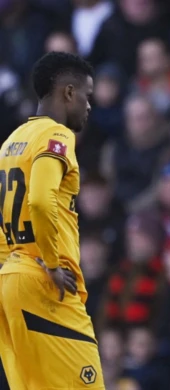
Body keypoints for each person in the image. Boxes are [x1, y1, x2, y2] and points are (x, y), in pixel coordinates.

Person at [0, 51, 104, 389]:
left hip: (10, 281)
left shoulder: (9, 144)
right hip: (42, 280)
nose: (89, 106)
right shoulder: (57, 136)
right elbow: (42, 201)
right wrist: (52, 262)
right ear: (69, 92)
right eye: (87, 96)